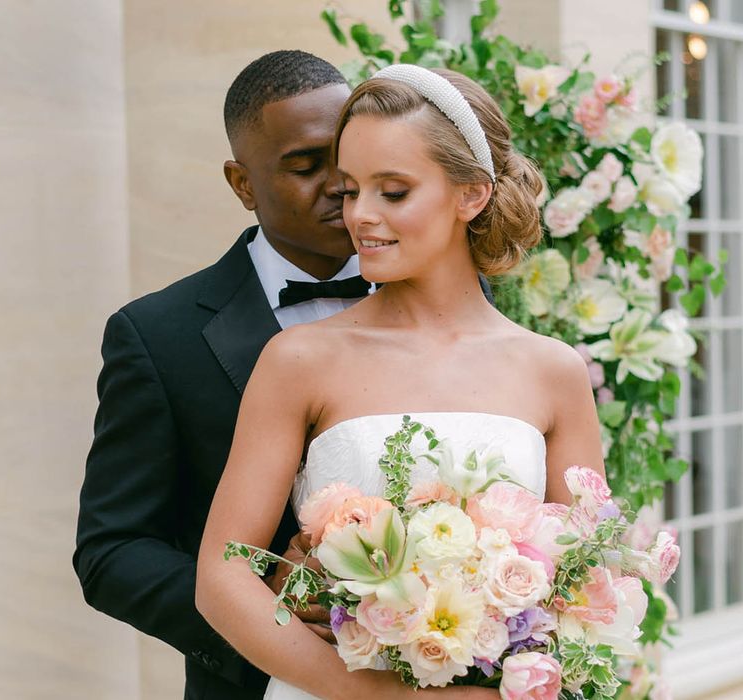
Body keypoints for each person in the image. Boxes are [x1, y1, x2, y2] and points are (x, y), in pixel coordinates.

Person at [195, 65, 606, 700]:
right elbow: (223, 578)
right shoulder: (298, 360)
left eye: (393, 192)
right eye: (352, 188)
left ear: (471, 194)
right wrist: (384, 695)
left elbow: (585, 579)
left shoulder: (552, 371)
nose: (359, 215)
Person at [74, 50, 379, 700]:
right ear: (242, 184)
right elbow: (112, 552)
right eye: (306, 165)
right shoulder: (159, 336)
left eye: (348, 157)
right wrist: (261, 615)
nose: (341, 184)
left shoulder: (451, 297)